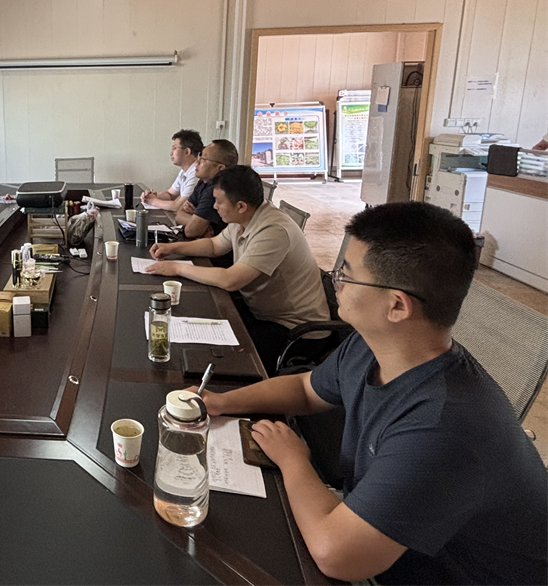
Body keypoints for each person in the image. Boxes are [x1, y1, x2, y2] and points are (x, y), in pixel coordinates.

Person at [191, 202, 548, 585]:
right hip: (383, 547)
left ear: (396, 305)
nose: (336, 284)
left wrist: (293, 459)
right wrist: (223, 402)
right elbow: (305, 388)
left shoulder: (443, 426)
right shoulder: (373, 346)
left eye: (346, 275)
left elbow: (336, 555)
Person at [147, 165, 328, 371]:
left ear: (241, 206)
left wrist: (177, 268)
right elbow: (214, 245)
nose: (214, 206)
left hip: (295, 330)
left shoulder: (274, 231)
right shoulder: (244, 217)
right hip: (261, 312)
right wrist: (173, 248)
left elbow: (230, 280)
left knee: (226, 361)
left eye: (219, 201)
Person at [174, 139, 238, 239]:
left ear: (220, 168)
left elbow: (191, 231)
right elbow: (179, 215)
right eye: (200, 156)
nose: (197, 161)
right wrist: (196, 220)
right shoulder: (203, 182)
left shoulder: (217, 189)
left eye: (204, 159)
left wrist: (195, 222)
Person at [140, 129, 203, 212]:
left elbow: (180, 206)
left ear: (187, 152)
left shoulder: (196, 173)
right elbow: (170, 194)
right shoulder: (185, 171)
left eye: (174, 148)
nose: (171, 153)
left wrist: (153, 201)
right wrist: (151, 196)